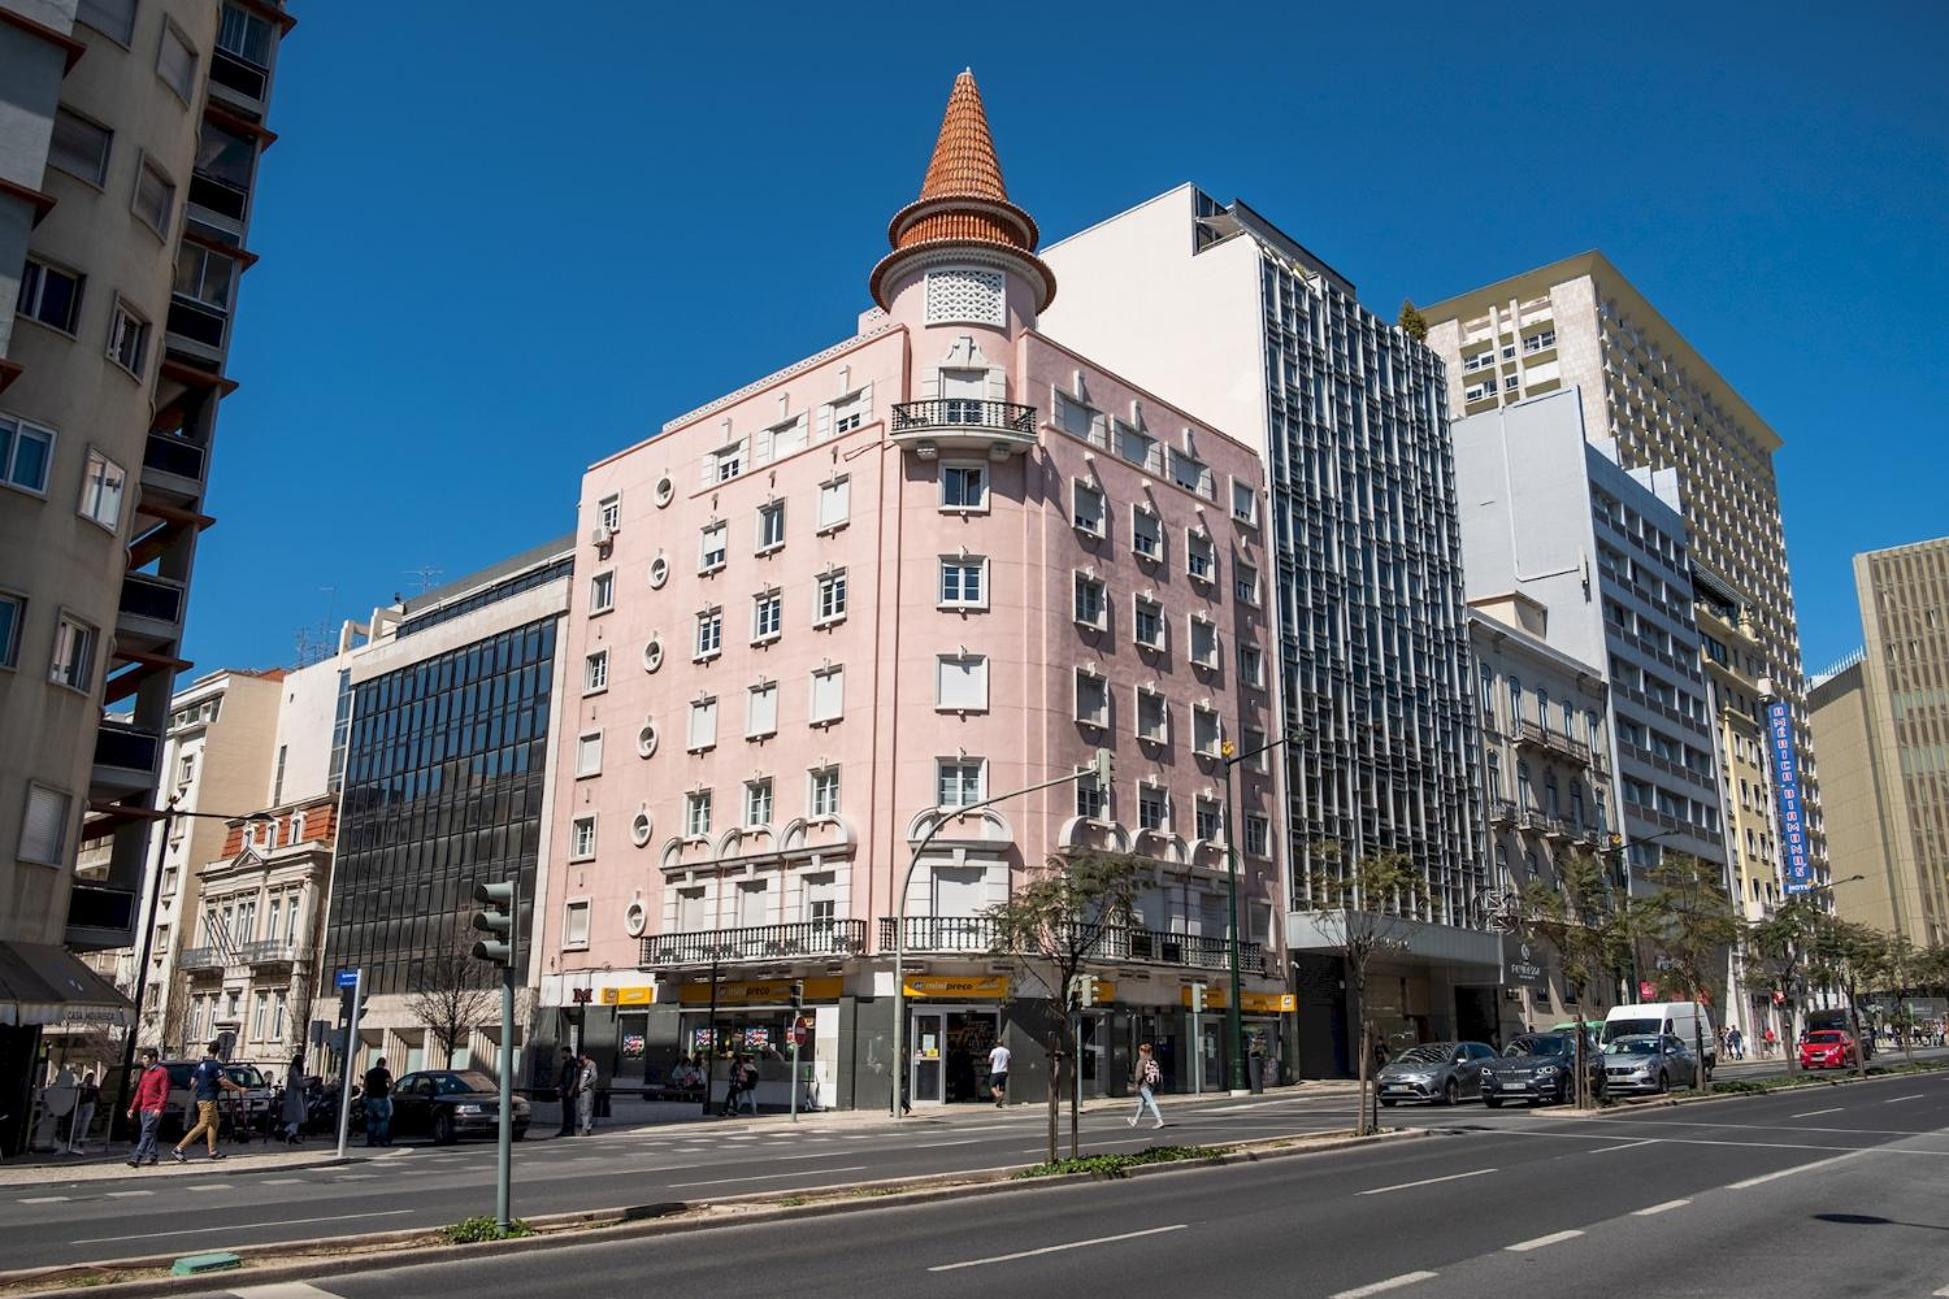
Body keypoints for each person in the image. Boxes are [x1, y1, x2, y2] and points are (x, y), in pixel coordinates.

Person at [173, 1041, 245, 1162]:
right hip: (209, 1098)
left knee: (214, 1123)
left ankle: (212, 1151)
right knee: (203, 1125)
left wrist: (202, 1085)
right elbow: (223, 1081)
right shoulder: (216, 1065)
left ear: (208, 1050)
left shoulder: (201, 1064)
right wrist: (239, 1089)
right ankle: (179, 1148)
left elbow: (192, 1082)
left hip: (201, 1097)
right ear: (218, 1051)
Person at [127, 1049, 169, 1168]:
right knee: (150, 1132)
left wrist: (159, 1107)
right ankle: (153, 1156)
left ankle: (137, 1157)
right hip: (144, 1108)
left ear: (153, 1059)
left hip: (154, 1108)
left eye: (145, 1058)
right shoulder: (145, 1073)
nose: (143, 1061)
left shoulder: (162, 1072)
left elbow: (164, 1092)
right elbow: (140, 1092)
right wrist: (133, 1108)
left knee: (146, 1132)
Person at [1127, 1042, 1164, 1129]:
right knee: (1142, 1103)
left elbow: (1139, 1076)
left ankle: (1160, 1120)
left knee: (1151, 1102)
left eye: (1140, 1051)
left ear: (1142, 1051)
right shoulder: (1153, 1061)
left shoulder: (1141, 1062)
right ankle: (1135, 1121)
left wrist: (1136, 1084)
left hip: (1144, 1085)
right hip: (1152, 1084)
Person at [362, 1057, 394, 1147]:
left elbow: (365, 1086)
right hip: (381, 1098)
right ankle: (382, 1141)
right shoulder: (385, 1072)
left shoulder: (369, 1072)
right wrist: (388, 1092)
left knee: (371, 1120)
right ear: (384, 1064)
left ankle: (370, 1141)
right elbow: (391, 1084)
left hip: (370, 1098)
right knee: (383, 1120)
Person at [66, 1071, 99, 1154]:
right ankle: (74, 1138)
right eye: (89, 1077)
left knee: (85, 1123)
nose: (90, 1079)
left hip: (89, 1104)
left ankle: (81, 1139)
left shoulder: (93, 1087)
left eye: (91, 1078)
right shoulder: (81, 1086)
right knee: (77, 1121)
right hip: (81, 1104)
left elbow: (96, 1096)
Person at [279, 1056, 309, 1144]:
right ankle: (286, 1131)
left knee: (298, 1117)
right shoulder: (294, 1070)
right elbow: (299, 1083)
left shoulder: (295, 1070)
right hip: (294, 1097)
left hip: (297, 1096)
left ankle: (292, 1135)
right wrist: (309, 1082)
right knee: (298, 1117)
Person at [556, 1046, 580, 1137]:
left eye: (563, 1053)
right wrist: (560, 1088)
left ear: (568, 1053)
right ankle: (565, 1129)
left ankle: (570, 1130)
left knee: (570, 1110)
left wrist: (571, 1089)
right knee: (565, 1110)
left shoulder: (574, 1063)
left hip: (570, 1090)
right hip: (565, 1089)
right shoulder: (566, 1063)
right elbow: (563, 1077)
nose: (561, 1055)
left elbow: (576, 1078)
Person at [575, 1052, 599, 1136]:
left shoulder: (591, 1064)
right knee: (583, 1110)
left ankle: (586, 1128)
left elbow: (594, 1077)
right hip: (582, 1091)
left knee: (586, 1109)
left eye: (580, 1057)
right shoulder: (582, 1066)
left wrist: (585, 1084)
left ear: (584, 1056)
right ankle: (586, 1127)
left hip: (588, 1090)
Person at [986, 1039, 1011, 1109]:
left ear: (997, 1044)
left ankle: (998, 1096)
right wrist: (1008, 1070)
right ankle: (999, 1103)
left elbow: (989, 1060)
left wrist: (993, 1063)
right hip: (1004, 1071)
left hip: (996, 1071)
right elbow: (1009, 1061)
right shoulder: (1007, 1051)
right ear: (1003, 1044)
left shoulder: (994, 1051)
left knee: (992, 1086)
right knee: (1002, 1087)